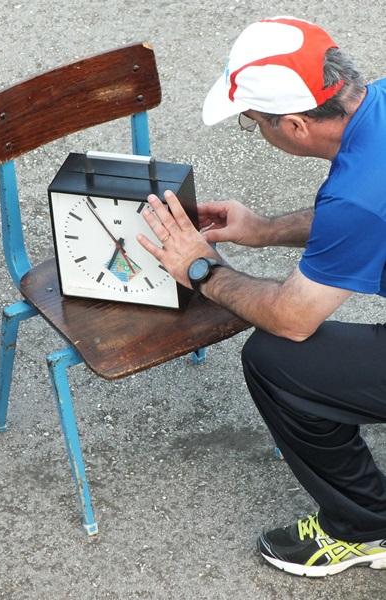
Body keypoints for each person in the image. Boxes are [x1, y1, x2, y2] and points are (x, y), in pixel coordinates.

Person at [136, 16, 386, 577]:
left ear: (295, 125)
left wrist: (200, 268)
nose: (257, 132)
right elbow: (367, 218)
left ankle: (366, 526)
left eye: (252, 123)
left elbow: (292, 318)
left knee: (278, 361)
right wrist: (265, 229)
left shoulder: (360, 194)